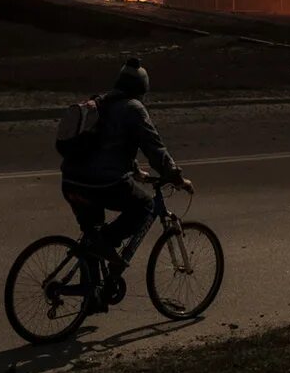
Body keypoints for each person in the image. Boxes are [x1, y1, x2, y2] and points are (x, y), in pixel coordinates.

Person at [61, 57, 193, 305]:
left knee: (92, 234)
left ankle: (92, 296)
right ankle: (105, 243)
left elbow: (107, 145)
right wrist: (177, 177)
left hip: (71, 181)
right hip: (101, 183)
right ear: (141, 89)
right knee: (145, 207)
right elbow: (155, 148)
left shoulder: (101, 102)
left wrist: (134, 170)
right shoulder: (133, 108)